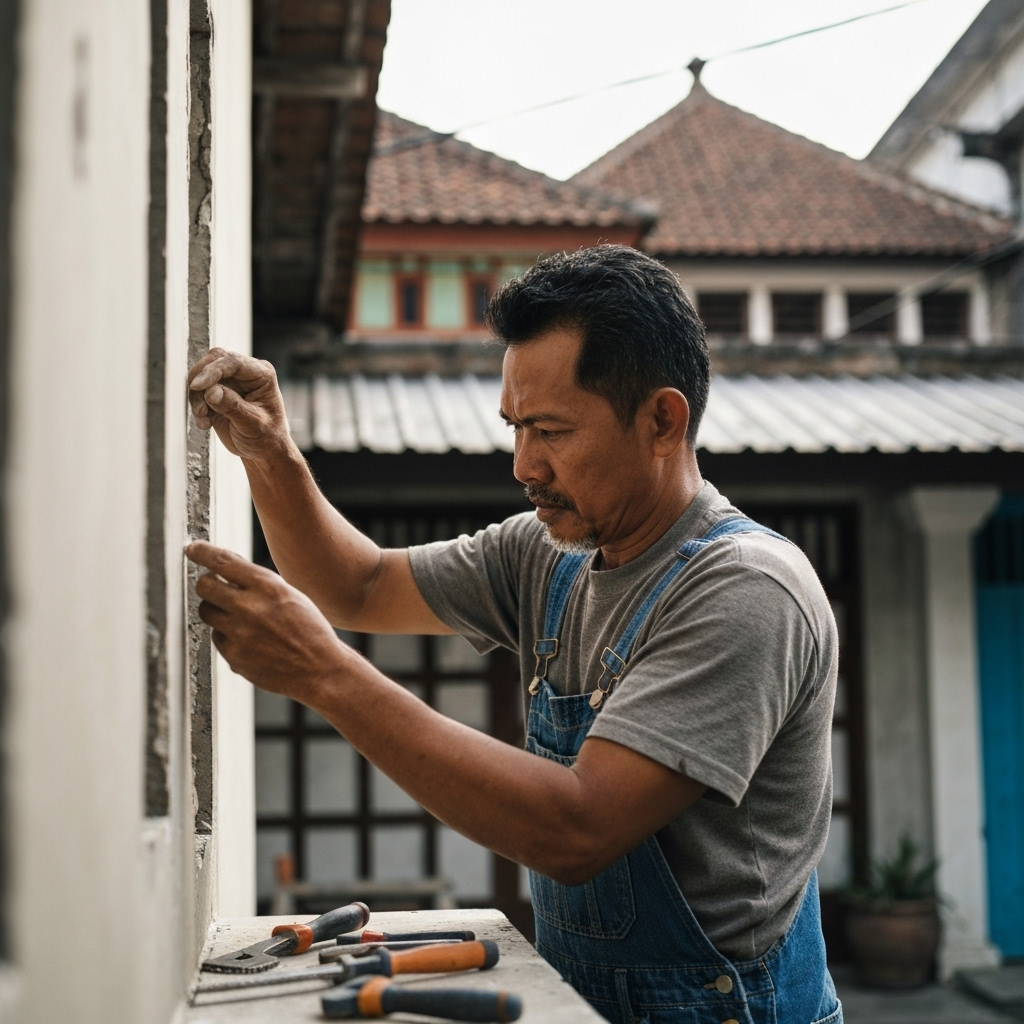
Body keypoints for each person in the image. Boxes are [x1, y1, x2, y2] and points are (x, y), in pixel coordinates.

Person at [186, 244, 842, 1024]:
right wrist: (272, 455)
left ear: (662, 420)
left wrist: (328, 676)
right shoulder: (549, 553)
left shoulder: (744, 591)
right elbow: (353, 584)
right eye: (516, 427)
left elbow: (578, 826)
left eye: (552, 431)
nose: (523, 464)